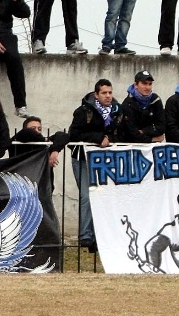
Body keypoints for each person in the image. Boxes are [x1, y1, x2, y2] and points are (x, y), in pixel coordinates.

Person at [68, 78, 123, 252]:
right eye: (104, 93)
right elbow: (74, 135)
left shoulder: (117, 111)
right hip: (83, 158)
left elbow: (120, 133)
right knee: (86, 195)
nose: (108, 96)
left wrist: (109, 139)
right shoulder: (84, 111)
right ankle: (85, 235)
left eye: (110, 92)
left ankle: (97, 236)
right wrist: (98, 138)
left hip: (104, 161)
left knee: (101, 196)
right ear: (96, 94)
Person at [121, 71, 165, 143]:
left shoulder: (156, 100)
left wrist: (144, 131)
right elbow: (131, 134)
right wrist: (152, 139)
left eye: (150, 84)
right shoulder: (127, 103)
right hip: (132, 147)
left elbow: (161, 127)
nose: (147, 87)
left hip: (153, 148)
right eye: (144, 83)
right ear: (136, 85)